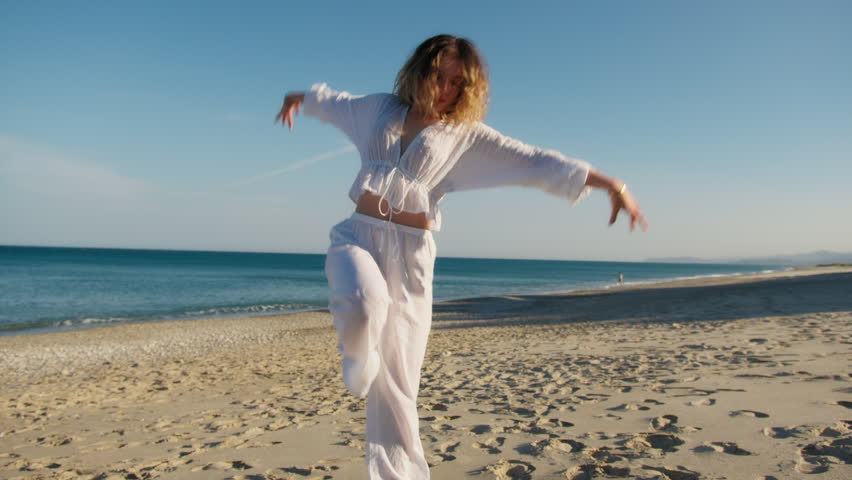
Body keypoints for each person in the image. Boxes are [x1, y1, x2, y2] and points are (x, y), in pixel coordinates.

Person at [275, 34, 647, 480]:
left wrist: (614, 185)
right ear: (419, 70)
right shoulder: (379, 109)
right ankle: (356, 355)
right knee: (362, 302)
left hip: (411, 259)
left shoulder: (464, 136)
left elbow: (533, 160)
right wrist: (298, 98)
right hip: (358, 235)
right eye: (438, 75)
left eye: (457, 82)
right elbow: (334, 102)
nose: (445, 88)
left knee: (399, 386)